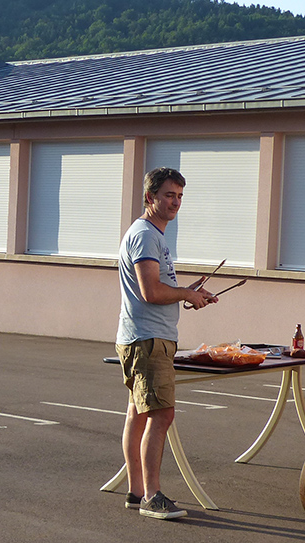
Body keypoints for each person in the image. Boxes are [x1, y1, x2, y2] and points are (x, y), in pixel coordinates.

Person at [115, 167, 218, 520]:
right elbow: (151, 291)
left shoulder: (152, 234)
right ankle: (152, 496)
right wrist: (186, 293)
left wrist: (189, 293)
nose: (174, 202)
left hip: (144, 337)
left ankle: (136, 491)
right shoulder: (145, 235)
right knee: (162, 414)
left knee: (138, 414)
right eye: (168, 195)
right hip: (148, 339)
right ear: (150, 197)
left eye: (179, 196)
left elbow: (161, 289)